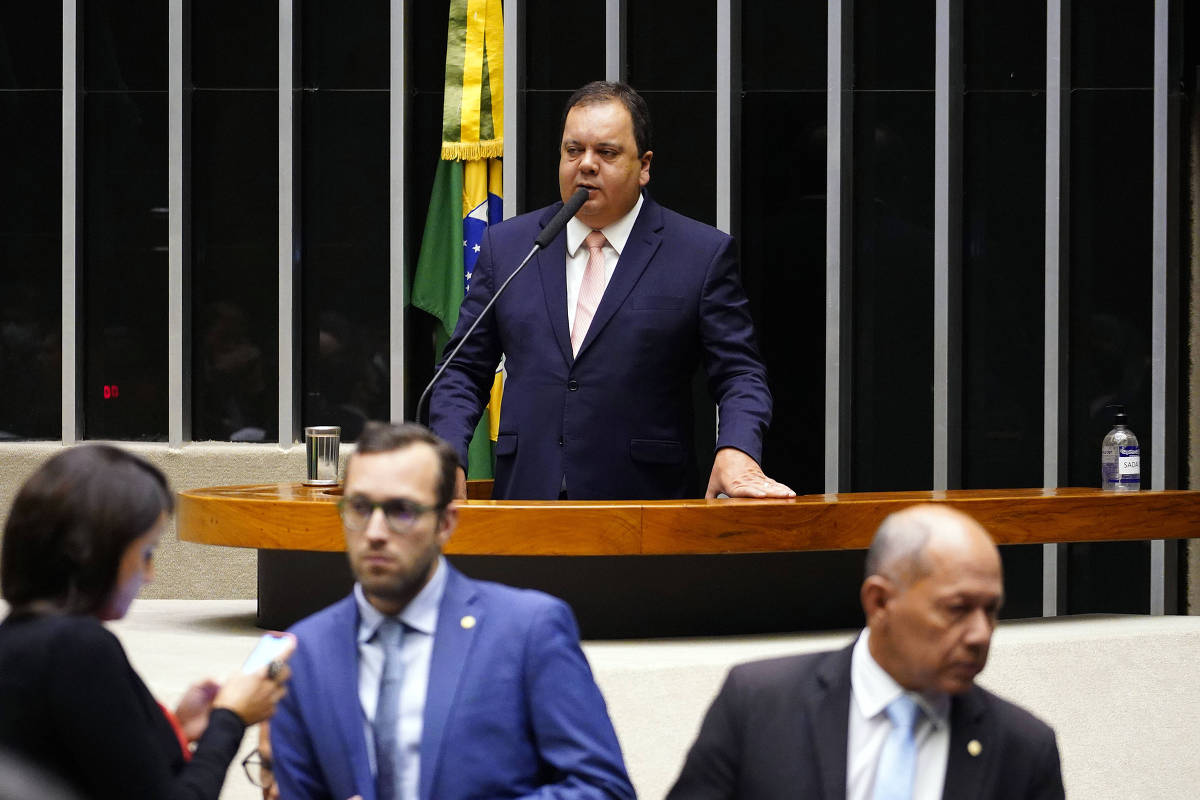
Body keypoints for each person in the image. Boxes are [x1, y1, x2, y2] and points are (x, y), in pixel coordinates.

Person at [431, 80, 794, 501]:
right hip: (528, 501)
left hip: (644, 507)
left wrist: (737, 450)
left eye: (606, 152)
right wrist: (448, 457)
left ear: (644, 165)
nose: (586, 164)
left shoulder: (699, 254)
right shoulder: (508, 247)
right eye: (573, 150)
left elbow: (739, 374)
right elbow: (462, 370)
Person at [270, 421, 635, 799]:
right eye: (360, 508)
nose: (375, 532)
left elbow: (604, 790)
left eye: (401, 510)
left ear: (445, 523)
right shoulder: (305, 652)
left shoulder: (527, 630)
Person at [666, 504, 1065, 800]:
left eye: (991, 611)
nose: (980, 634)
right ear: (879, 602)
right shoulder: (759, 704)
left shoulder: (1023, 749)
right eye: (957, 609)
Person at [0, 444, 292, 800]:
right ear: (94, 553)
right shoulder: (77, 647)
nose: (149, 575)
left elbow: (98, 765)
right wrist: (230, 718)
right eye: (146, 553)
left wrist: (173, 729)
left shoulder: (18, 640)